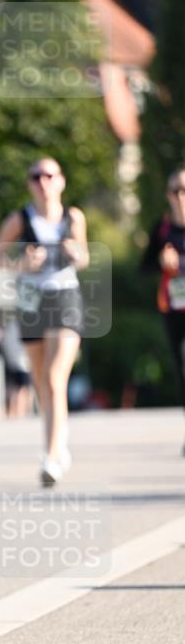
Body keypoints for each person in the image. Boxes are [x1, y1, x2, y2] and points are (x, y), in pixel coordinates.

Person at [0, 156, 89, 485]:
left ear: (61, 181)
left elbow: (84, 257)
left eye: (49, 175)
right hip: (31, 301)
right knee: (41, 381)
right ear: (29, 184)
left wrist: (75, 254)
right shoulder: (20, 219)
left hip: (64, 297)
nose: (43, 182)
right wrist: (22, 263)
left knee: (55, 375)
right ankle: (60, 438)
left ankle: (50, 457)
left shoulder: (73, 218)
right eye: (36, 176)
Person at [141, 167, 185, 450]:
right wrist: (161, 260)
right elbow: (143, 267)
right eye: (176, 190)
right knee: (182, 367)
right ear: (168, 195)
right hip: (173, 307)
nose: (181, 196)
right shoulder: (162, 228)